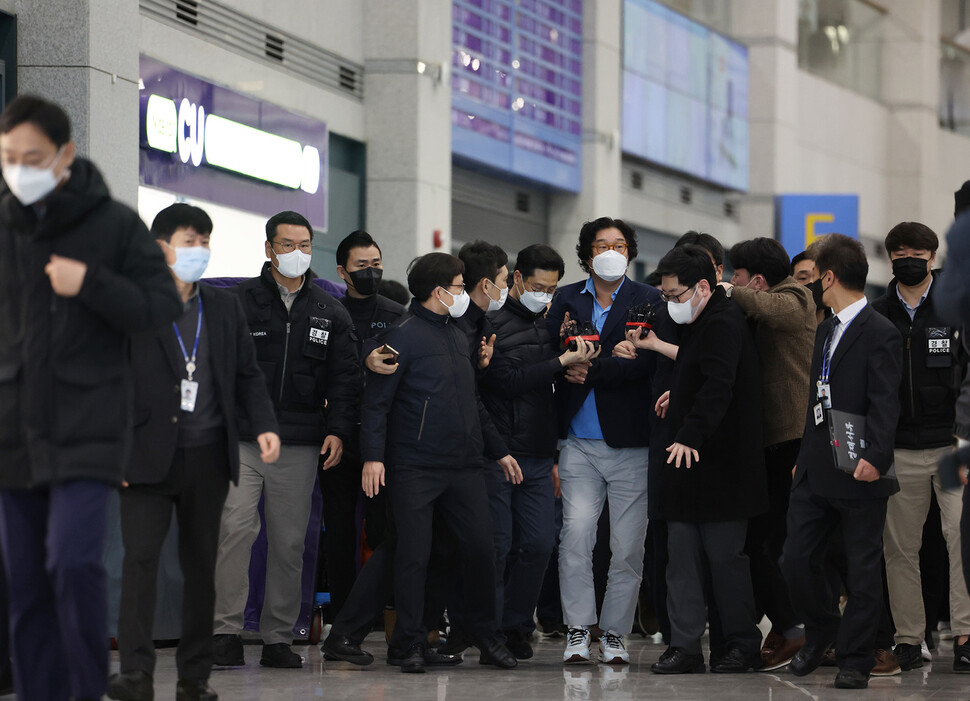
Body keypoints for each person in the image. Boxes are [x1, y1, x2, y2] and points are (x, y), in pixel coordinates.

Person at [0, 94, 182, 701]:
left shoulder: (112, 225)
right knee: (23, 585)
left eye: (32, 156)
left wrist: (92, 283)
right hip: (13, 433)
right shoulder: (4, 226)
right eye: (8, 157)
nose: (19, 168)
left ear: (64, 156)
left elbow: (161, 305)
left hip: (89, 427)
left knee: (72, 564)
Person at [109, 204, 281, 701]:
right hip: (143, 456)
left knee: (200, 567)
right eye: (189, 241)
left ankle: (194, 678)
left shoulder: (224, 308)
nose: (200, 252)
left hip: (208, 457)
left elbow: (248, 375)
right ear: (160, 246)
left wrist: (265, 425)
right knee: (138, 564)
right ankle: (137, 675)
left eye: (205, 242)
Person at [211, 211, 360, 669]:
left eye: (304, 245)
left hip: (299, 442)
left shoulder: (328, 309)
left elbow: (345, 379)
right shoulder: (237, 302)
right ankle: (224, 631)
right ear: (269, 249)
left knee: (290, 540)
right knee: (234, 530)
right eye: (287, 244)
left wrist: (336, 430)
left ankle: (279, 636)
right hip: (242, 437)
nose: (297, 253)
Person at [359, 252, 520, 673]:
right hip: (415, 465)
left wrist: (498, 450)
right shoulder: (402, 336)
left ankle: (486, 636)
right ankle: (407, 643)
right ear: (438, 292)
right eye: (459, 286)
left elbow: (472, 402)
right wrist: (374, 458)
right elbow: (377, 404)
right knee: (414, 554)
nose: (464, 293)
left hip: (464, 465)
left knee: (482, 549)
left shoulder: (459, 334)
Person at [639, 244, 767, 674]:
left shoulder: (723, 322)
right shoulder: (699, 321)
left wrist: (690, 432)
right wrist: (681, 398)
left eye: (675, 295)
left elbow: (720, 386)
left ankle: (741, 643)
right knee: (682, 558)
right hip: (687, 465)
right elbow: (700, 376)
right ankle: (686, 645)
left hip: (721, 465)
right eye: (666, 296)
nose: (670, 303)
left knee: (725, 560)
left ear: (703, 287)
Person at [782, 233, 902, 690]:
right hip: (816, 465)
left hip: (861, 467)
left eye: (816, 275)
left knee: (862, 567)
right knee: (796, 559)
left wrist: (876, 456)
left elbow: (886, 402)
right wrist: (804, 456)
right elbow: (818, 396)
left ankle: (855, 657)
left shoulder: (880, 331)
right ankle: (821, 630)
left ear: (829, 276)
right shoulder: (827, 327)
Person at [545, 217, 661, 665]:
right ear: (587, 253)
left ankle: (613, 632)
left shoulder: (649, 300)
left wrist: (589, 365)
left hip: (632, 443)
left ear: (629, 251)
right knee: (575, 534)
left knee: (628, 545)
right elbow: (549, 353)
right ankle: (578, 627)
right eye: (600, 245)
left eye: (618, 244)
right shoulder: (567, 298)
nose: (610, 251)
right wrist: (577, 360)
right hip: (577, 442)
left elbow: (644, 366)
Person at [479, 244, 596, 659]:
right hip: (499, 454)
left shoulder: (551, 327)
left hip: (538, 454)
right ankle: (489, 631)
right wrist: (560, 362)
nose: (544, 295)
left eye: (551, 289)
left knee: (540, 543)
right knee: (499, 546)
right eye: (536, 286)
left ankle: (515, 625)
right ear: (516, 280)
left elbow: (550, 390)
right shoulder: (490, 324)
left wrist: (572, 368)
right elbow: (502, 381)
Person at [871, 221, 970, 672]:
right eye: (898, 252)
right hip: (898, 447)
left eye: (917, 251)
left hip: (951, 443)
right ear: (889, 258)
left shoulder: (956, 308)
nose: (907, 258)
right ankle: (909, 639)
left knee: (960, 539)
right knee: (900, 547)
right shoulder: (877, 313)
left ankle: (966, 633)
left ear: (932, 257)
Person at [725, 238, 816, 670]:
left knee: (769, 543)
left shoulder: (794, 295)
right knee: (760, 543)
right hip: (769, 444)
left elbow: (782, 311)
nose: (731, 282)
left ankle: (794, 627)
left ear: (756, 279)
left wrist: (724, 292)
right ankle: (789, 626)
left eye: (736, 276)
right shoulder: (758, 302)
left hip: (795, 441)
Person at [321, 230, 406, 622]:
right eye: (361, 266)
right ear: (342, 271)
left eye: (376, 265)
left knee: (383, 530)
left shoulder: (396, 313)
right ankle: (342, 614)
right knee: (339, 533)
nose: (370, 272)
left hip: (383, 440)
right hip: (338, 435)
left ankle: (380, 611)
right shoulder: (327, 311)